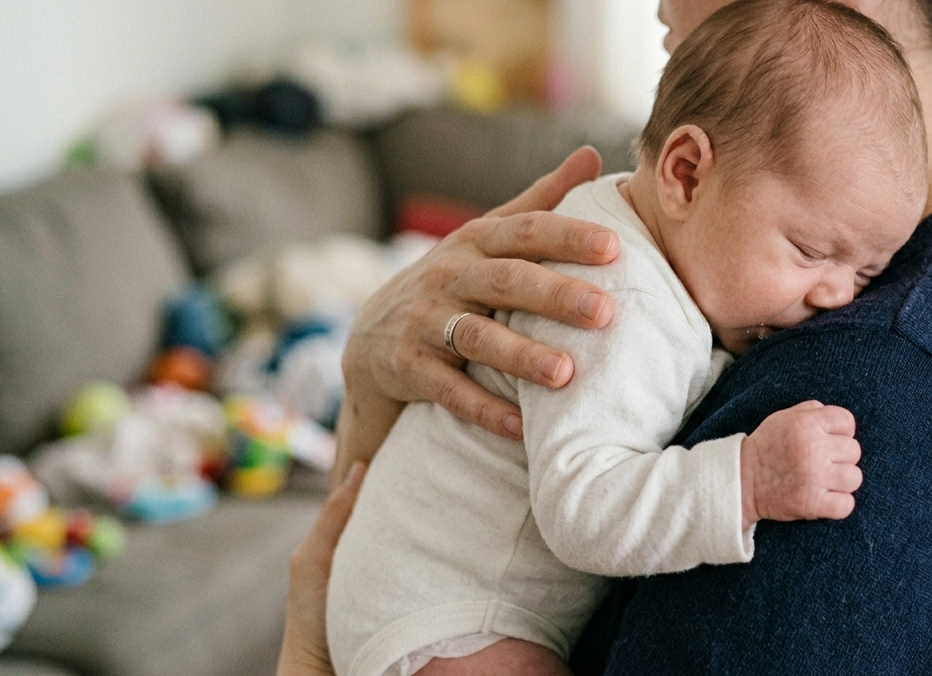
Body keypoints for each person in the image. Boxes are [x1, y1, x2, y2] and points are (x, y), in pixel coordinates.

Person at [279, 0, 932, 674]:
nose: (837, 295)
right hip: (452, 618)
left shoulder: (677, 242)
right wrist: (745, 481)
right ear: (686, 173)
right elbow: (584, 510)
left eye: (866, 272)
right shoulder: (614, 299)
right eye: (810, 250)